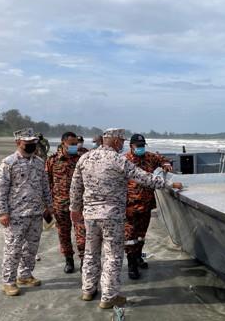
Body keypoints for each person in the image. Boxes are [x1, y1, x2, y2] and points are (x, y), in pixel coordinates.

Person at [69, 128, 183, 309]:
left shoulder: (85, 158)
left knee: (91, 253)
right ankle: (109, 297)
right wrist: (168, 183)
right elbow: (143, 178)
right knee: (112, 256)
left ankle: (88, 290)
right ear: (115, 141)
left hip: (90, 216)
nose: (123, 144)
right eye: (122, 141)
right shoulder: (117, 159)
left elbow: (75, 187)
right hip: (111, 216)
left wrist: (74, 209)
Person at [0, 128, 54, 296]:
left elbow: (44, 186)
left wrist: (49, 206)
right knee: (13, 249)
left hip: (35, 213)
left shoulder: (38, 162)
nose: (31, 145)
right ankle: (8, 282)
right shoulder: (8, 162)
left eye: (33, 142)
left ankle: (25, 275)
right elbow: (1, 189)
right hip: (16, 214)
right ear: (18, 142)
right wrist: (2, 212)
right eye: (27, 143)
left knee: (31, 248)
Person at [124, 133, 173, 279]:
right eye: (138, 146)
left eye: (142, 146)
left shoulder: (149, 157)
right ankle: (131, 264)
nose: (141, 148)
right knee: (130, 237)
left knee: (141, 235)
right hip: (130, 206)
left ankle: (139, 257)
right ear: (131, 146)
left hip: (146, 205)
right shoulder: (124, 160)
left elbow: (161, 159)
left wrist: (166, 164)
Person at [45, 131, 86, 274]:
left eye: (76, 144)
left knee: (82, 235)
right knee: (63, 234)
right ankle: (69, 260)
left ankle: (83, 261)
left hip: (79, 206)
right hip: (60, 205)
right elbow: (47, 182)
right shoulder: (53, 160)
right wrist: (47, 205)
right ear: (63, 143)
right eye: (72, 144)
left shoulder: (82, 159)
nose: (75, 146)